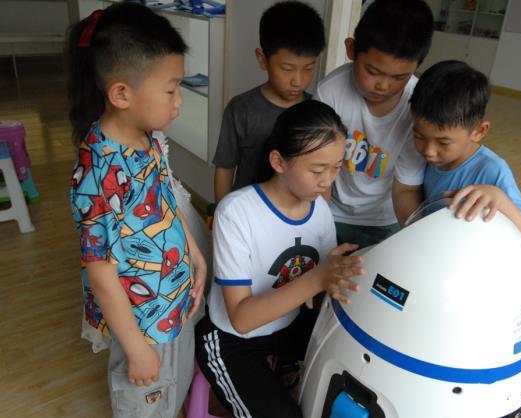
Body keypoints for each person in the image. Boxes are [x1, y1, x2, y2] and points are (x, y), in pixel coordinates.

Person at [67, 3, 207, 417]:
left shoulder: (146, 139)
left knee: (172, 391)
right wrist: (135, 349)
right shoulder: (98, 175)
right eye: (171, 89)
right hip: (142, 326)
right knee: (145, 405)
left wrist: (194, 254)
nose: (179, 102)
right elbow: (101, 275)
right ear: (121, 94)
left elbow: (164, 202)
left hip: (172, 304)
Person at [195, 100, 364, 418]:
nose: (328, 181)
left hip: (288, 325)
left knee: (357, 368)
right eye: (317, 170)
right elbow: (241, 319)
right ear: (278, 161)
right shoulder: (237, 212)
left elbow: (323, 287)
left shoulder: (319, 209)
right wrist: (318, 278)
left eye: (337, 167)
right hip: (233, 339)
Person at [315, 0, 434, 248]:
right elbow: (318, 170)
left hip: (385, 219)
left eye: (399, 77)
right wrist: (319, 222)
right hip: (331, 211)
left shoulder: (417, 108)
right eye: (373, 71)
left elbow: (406, 189)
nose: (383, 86)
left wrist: (417, 238)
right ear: (351, 49)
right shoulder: (330, 93)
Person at [409, 60, 521, 255]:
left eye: (443, 142)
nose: (429, 151)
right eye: (419, 136)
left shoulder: (492, 170)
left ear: (479, 131)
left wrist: (500, 199)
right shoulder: (425, 159)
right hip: (435, 252)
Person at [212, 1, 325, 203]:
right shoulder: (241, 109)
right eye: (287, 69)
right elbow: (225, 167)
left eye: (308, 68)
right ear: (262, 59)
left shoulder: (316, 110)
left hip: (295, 213)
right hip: (246, 211)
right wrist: (222, 211)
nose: (298, 81)